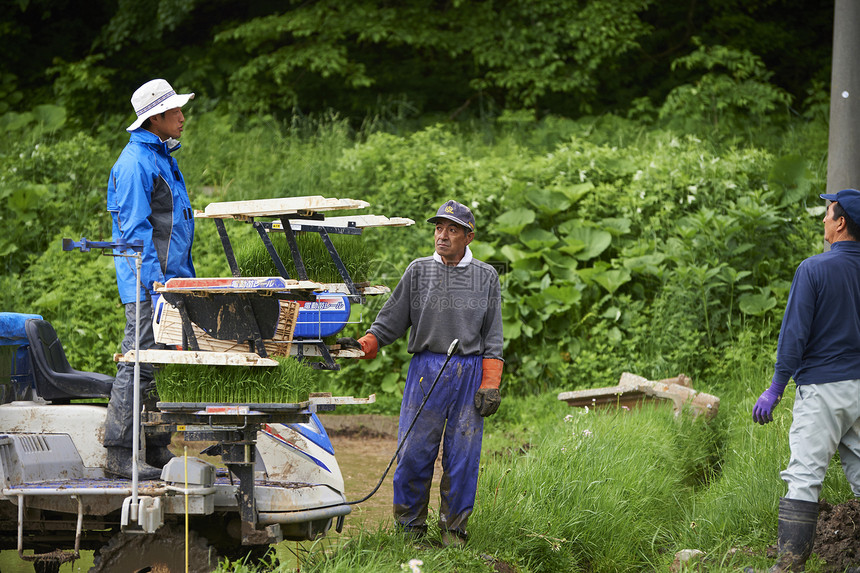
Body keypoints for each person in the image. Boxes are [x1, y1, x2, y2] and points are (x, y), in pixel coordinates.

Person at [340, 199, 504, 547]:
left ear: (468, 237)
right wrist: (366, 343)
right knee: (414, 453)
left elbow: (493, 335)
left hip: (470, 371)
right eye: (438, 228)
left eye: (452, 229)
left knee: (463, 456)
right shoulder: (418, 271)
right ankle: (410, 532)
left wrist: (490, 382)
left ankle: (453, 535)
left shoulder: (486, 276)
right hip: (426, 371)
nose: (442, 236)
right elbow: (391, 319)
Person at [748, 188, 860, 573]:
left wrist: (776, 388)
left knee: (805, 477)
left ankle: (788, 567)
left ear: (841, 222)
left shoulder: (813, 269)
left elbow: (794, 335)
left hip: (824, 390)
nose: (824, 220)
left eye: (828, 214)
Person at [104, 79, 196, 480]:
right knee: (137, 361)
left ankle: (156, 448)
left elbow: (172, 227)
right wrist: (156, 285)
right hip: (148, 285)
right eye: (175, 111)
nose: (182, 116)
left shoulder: (160, 155)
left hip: (169, 282)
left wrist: (178, 283)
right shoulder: (136, 163)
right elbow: (135, 234)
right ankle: (119, 453)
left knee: (162, 363)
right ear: (155, 117)